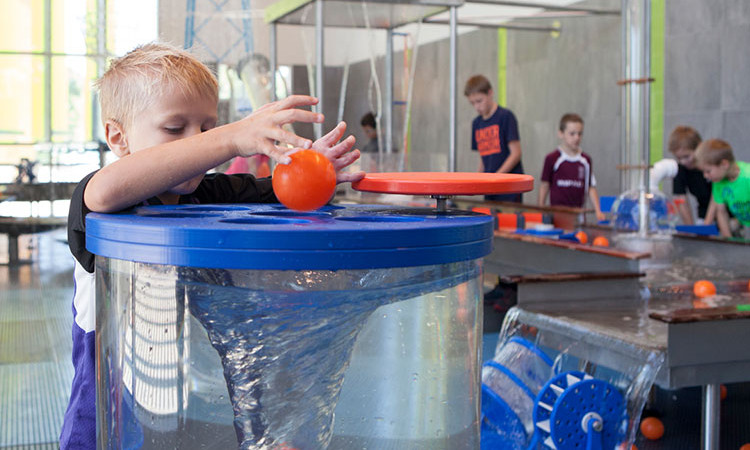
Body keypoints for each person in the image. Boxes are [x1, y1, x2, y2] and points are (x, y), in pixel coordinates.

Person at [60, 42, 363, 449]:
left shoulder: (211, 192)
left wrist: (316, 168)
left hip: (185, 411)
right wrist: (231, 137)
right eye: (174, 128)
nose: (198, 143)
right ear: (119, 137)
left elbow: (277, 192)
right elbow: (106, 190)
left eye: (207, 128)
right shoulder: (106, 200)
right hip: (106, 420)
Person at [464, 74, 524, 202]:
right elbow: (484, 157)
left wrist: (497, 177)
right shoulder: (477, 123)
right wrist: (478, 180)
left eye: (479, 101)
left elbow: (516, 153)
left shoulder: (506, 116)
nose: (476, 107)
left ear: (490, 93)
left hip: (509, 187)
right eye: (472, 103)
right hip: (490, 186)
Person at [538, 113, 605, 221]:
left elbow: (590, 187)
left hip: (578, 217)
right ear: (561, 133)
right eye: (572, 134)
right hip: (557, 216)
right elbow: (545, 185)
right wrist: (540, 209)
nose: (576, 137)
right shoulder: (552, 158)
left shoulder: (585, 160)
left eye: (580, 134)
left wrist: (598, 210)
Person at [695, 138, 750, 237]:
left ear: (724, 164)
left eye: (708, 171)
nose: (705, 176)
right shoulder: (718, 182)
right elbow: (721, 212)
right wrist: (728, 241)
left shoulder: (747, 177)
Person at [666, 126, 715, 225]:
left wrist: (707, 224)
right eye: (679, 158)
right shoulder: (680, 169)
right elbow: (681, 200)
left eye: (686, 156)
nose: (683, 162)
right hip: (703, 213)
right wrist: (691, 229)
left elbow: (717, 197)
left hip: (725, 212)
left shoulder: (710, 164)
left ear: (699, 148)